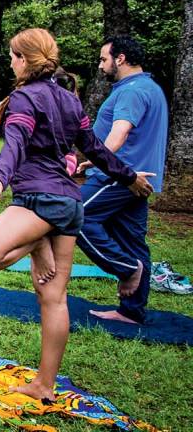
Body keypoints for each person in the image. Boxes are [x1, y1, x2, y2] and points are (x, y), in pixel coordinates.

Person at [0, 28, 152, 403]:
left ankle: (37, 242)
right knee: (53, 298)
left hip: (40, 202)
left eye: (12, 56)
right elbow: (96, 150)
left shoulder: (23, 97)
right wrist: (129, 176)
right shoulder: (69, 99)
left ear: (23, 59)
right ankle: (44, 385)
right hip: (70, 204)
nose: (10, 62)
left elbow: (15, 142)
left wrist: (0, 178)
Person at [75, 36, 168, 323]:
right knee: (133, 242)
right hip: (141, 177)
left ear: (121, 58)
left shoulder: (132, 91)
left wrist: (98, 158)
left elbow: (120, 132)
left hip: (120, 175)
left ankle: (127, 269)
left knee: (74, 215)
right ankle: (132, 311)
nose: (101, 65)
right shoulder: (151, 88)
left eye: (104, 59)